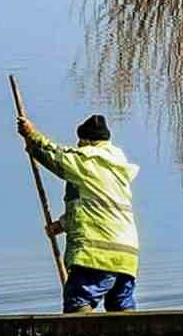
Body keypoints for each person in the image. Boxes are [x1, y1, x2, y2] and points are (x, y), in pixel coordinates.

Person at [18, 112, 140, 313]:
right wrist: (62, 224)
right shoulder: (117, 169)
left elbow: (56, 156)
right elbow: (95, 208)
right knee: (121, 308)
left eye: (80, 143)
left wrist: (32, 136)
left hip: (98, 254)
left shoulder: (87, 161)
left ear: (87, 141)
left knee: (77, 299)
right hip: (127, 256)